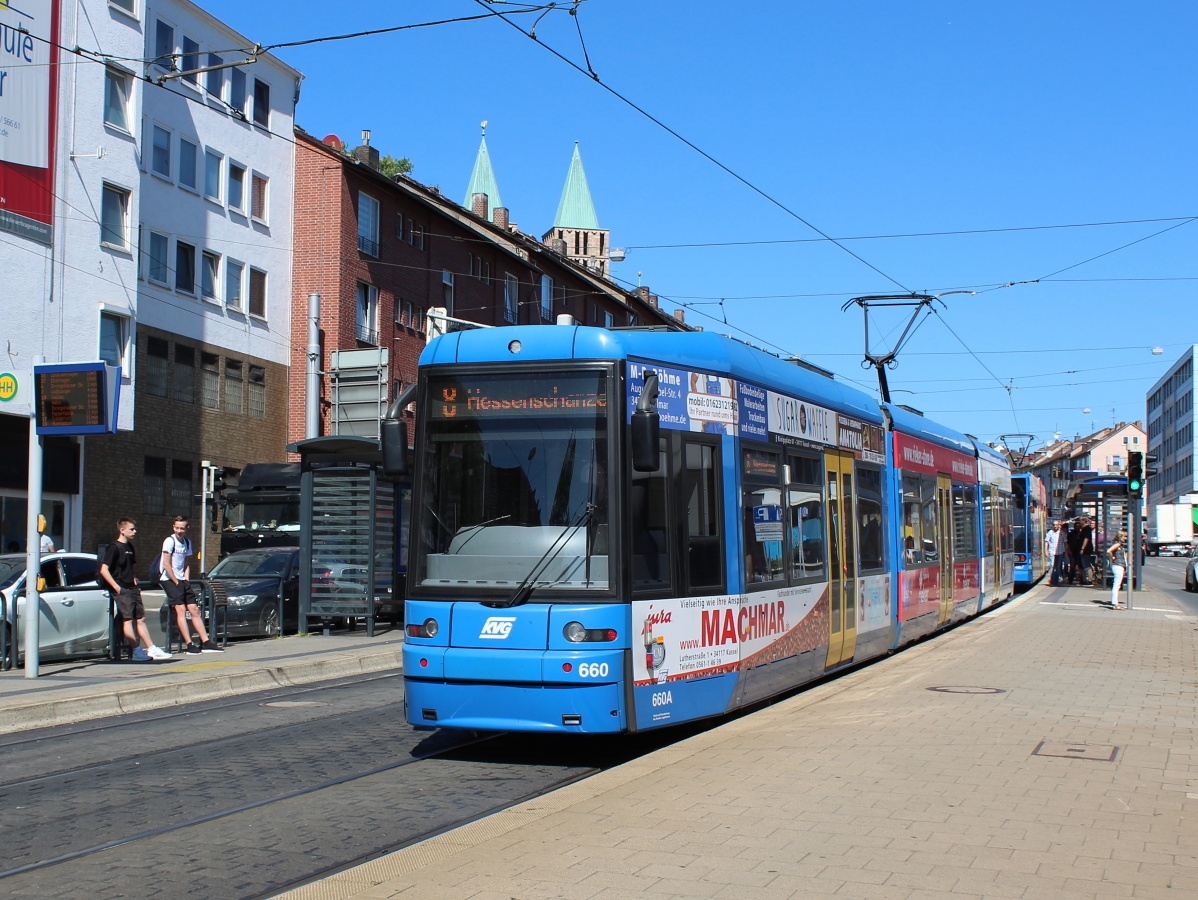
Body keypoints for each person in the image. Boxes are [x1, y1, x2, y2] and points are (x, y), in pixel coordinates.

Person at [99, 518, 171, 661]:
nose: (134, 531)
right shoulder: (114, 547)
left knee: (141, 618)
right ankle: (136, 651)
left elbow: (129, 568)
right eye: (131, 529)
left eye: (134, 529)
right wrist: (116, 586)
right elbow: (104, 569)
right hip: (122, 588)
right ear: (122, 530)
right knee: (127, 619)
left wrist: (133, 579)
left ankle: (151, 648)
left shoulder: (130, 547)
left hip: (131, 587)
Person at [161, 516, 224, 654]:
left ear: (186, 529)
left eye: (182, 528)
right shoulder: (169, 541)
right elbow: (166, 564)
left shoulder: (187, 543)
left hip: (182, 579)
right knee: (181, 610)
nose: (179, 531)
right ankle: (189, 644)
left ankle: (206, 642)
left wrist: (185, 579)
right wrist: (176, 581)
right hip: (169, 579)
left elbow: (186, 563)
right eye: (176, 528)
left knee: (194, 609)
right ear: (173, 527)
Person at [1106, 530, 1128, 608]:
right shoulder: (1118, 544)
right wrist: (1112, 557)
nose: (1126, 538)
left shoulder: (1120, 545)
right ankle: (1115, 603)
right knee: (1117, 585)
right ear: (1120, 537)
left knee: (1117, 585)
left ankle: (1115, 602)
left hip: (1119, 566)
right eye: (1124, 536)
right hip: (1118, 565)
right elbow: (1108, 551)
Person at [1045, 520, 1069, 586]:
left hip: (1060, 551)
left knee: (1058, 566)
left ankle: (1056, 580)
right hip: (1052, 551)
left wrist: (1066, 552)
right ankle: (1052, 579)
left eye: (1056, 525)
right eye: (1054, 525)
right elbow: (1046, 542)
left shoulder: (1062, 533)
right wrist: (1046, 551)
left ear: (1059, 525)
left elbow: (1065, 543)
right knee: (1052, 565)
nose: (1055, 526)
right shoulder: (1050, 532)